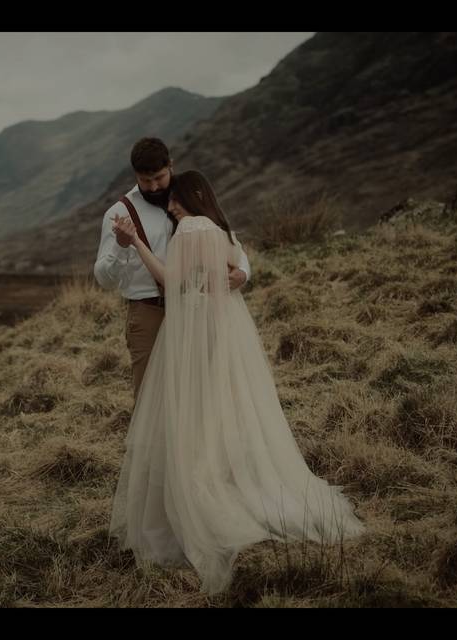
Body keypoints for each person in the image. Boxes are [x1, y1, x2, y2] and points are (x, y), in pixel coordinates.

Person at [108, 170, 365, 595]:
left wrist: (135, 243)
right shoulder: (220, 229)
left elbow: (173, 282)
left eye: (174, 199)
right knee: (219, 406)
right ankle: (223, 472)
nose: (170, 206)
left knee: (190, 409)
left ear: (189, 196)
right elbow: (234, 261)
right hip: (219, 325)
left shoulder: (190, 228)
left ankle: (197, 491)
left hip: (191, 326)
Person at [94, 138, 250, 403]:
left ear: (171, 166)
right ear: (135, 175)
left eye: (159, 177)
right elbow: (103, 279)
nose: (154, 187)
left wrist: (244, 270)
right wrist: (121, 246)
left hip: (198, 312)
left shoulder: (189, 194)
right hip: (150, 312)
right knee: (151, 401)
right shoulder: (120, 213)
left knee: (199, 396)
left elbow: (221, 236)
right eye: (146, 180)